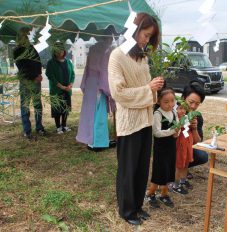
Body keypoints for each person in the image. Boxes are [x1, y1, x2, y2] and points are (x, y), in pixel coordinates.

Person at [108, 12, 163, 226]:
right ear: (133, 29)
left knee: (141, 167)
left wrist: (155, 87)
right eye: (145, 34)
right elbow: (118, 93)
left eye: (150, 37)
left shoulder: (142, 57)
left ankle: (138, 206)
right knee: (128, 169)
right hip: (129, 121)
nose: (146, 40)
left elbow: (148, 89)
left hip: (146, 119)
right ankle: (127, 210)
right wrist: (148, 89)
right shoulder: (116, 56)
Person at [76, 36, 115, 150]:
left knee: (89, 113)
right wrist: (108, 90)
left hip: (90, 82)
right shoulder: (106, 50)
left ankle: (89, 140)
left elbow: (87, 67)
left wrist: (84, 83)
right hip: (99, 84)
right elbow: (104, 70)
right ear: (110, 39)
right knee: (99, 114)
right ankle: (97, 143)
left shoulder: (93, 48)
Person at [145, 88, 179, 208]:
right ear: (158, 101)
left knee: (169, 170)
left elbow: (177, 127)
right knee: (159, 171)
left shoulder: (174, 112)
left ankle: (164, 193)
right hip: (161, 149)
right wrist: (172, 131)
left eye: (172, 101)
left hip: (171, 147)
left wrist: (177, 133)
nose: (170, 104)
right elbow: (157, 133)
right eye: (166, 102)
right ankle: (150, 192)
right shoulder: (157, 114)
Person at [13, 27, 45, 139]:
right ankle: (27, 130)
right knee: (25, 105)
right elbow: (22, 66)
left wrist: (39, 74)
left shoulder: (31, 48)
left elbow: (38, 61)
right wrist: (34, 76)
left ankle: (39, 127)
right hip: (25, 81)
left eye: (26, 37)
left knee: (37, 105)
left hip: (36, 80)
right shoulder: (17, 50)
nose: (25, 38)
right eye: (23, 37)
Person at [46, 42, 75, 134]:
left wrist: (70, 84)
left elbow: (73, 74)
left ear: (64, 51)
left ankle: (64, 125)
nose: (59, 53)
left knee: (65, 108)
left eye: (61, 51)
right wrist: (62, 87)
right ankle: (58, 127)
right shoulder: (51, 62)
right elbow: (51, 76)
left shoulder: (68, 62)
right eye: (57, 51)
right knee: (57, 109)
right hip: (57, 90)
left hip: (67, 90)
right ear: (54, 52)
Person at [181, 84, 208, 179]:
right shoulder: (174, 111)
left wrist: (194, 128)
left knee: (202, 156)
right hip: (171, 146)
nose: (193, 106)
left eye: (197, 104)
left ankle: (183, 168)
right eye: (191, 102)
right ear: (183, 98)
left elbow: (197, 142)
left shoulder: (197, 117)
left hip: (186, 145)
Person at [172, 102, 194, 195]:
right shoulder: (175, 119)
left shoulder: (186, 117)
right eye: (180, 108)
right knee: (179, 164)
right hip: (180, 143)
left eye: (184, 108)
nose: (182, 110)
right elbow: (174, 134)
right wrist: (179, 126)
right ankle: (176, 185)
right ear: (175, 109)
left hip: (188, 142)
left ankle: (183, 180)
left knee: (186, 162)